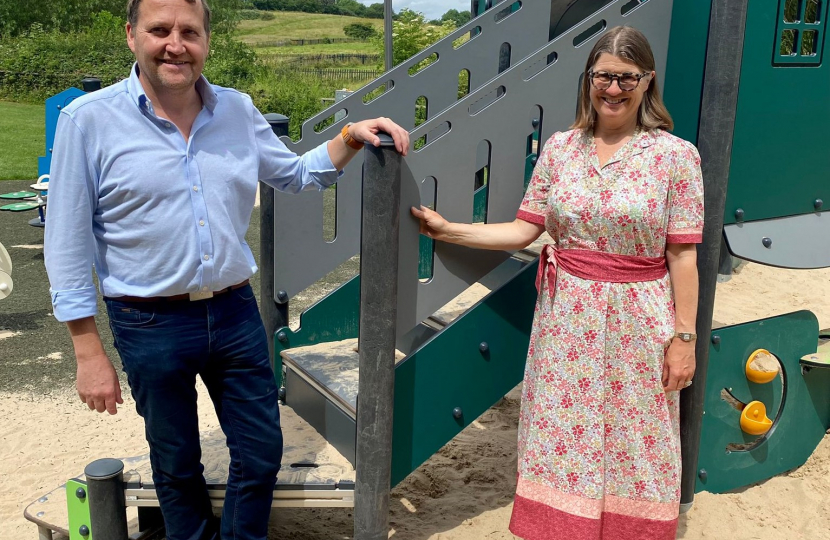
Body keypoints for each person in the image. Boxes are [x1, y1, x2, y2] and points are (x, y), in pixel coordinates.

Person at [43, 0, 409, 538]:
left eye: (189, 31)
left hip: (234, 311)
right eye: (159, 30)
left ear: (207, 40)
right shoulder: (88, 121)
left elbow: (295, 174)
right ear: (130, 36)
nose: (175, 44)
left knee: (260, 453)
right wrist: (87, 350)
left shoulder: (236, 110)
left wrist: (350, 135)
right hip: (148, 322)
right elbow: (67, 242)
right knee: (175, 463)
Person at [412, 26, 702, 540]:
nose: (613, 89)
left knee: (638, 433)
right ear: (588, 79)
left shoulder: (676, 156)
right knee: (563, 431)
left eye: (626, 78)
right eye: (603, 76)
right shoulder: (560, 149)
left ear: (647, 81)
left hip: (642, 321)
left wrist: (684, 338)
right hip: (566, 320)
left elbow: (682, 256)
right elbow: (526, 229)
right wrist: (449, 228)